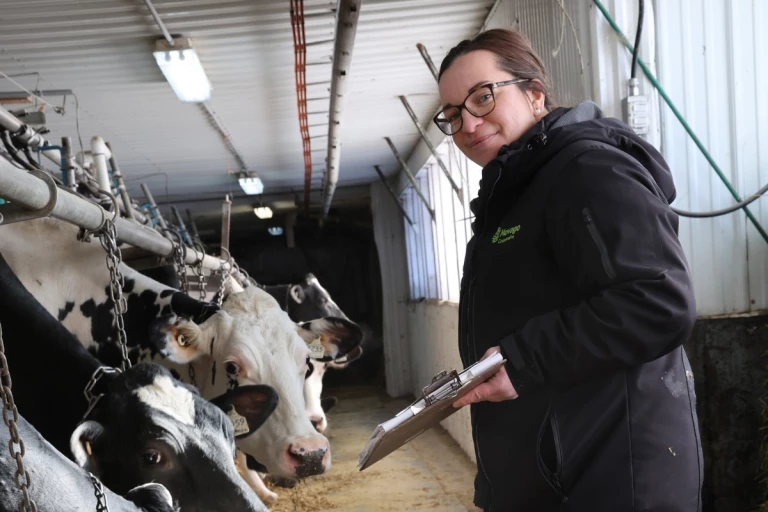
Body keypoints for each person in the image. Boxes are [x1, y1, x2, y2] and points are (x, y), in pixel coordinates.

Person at [437, 29, 703, 511]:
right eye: (452, 115)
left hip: (609, 475)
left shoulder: (586, 170)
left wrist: (520, 361)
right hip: (552, 469)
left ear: (534, 93)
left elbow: (658, 300)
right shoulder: (514, 193)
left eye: (482, 97)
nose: (468, 125)